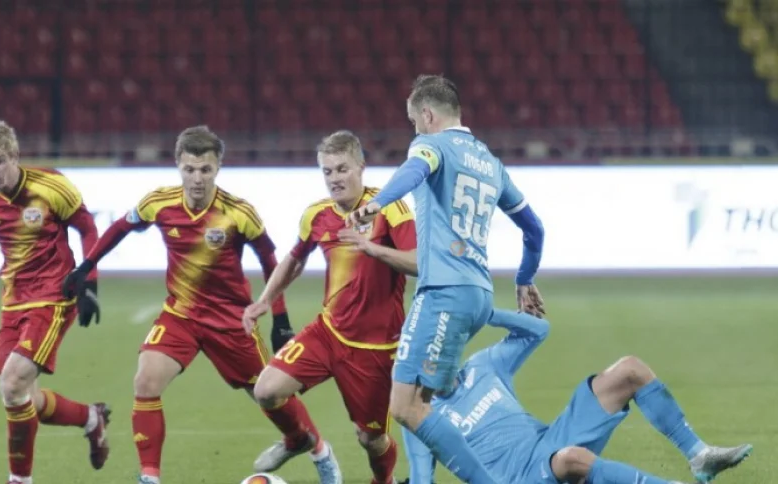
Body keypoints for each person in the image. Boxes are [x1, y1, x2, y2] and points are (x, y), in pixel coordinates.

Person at [62, 125, 339, 484]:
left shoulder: (238, 213)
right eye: (189, 169)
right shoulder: (158, 202)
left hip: (231, 321)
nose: (197, 178)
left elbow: (271, 261)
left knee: (268, 394)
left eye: (205, 169)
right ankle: (149, 477)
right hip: (181, 315)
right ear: (178, 165)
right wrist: (85, 267)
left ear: (218, 167)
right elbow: (119, 228)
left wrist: (279, 317)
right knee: (145, 381)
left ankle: (316, 449)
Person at [348, 74, 545, 483]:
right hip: (479, 294)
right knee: (422, 402)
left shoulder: (432, 145)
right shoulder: (490, 163)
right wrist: (525, 278)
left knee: (405, 407)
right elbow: (534, 228)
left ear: (427, 114)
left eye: (413, 122)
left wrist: (376, 203)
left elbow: (415, 169)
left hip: (443, 291)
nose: (414, 130)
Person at [0, 120, 110, 484]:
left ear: (15, 156)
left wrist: (89, 284)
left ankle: (19, 480)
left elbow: (88, 228)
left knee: (12, 384)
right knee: (20, 396)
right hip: (13, 299)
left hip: (54, 296)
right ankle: (91, 418)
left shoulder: (51, 186)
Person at [243, 131, 417, 484]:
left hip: (374, 347)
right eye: (327, 171)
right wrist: (265, 299)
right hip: (328, 333)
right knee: (266, 390)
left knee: (371, 439)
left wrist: (372, 249)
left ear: (361, 167)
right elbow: (295, 259)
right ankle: (299, 439)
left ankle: (383, 481)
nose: (334, 178)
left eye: (342, 169)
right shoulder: (317, 214)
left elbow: (418, 262)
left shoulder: (390, 208)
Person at [403, 309, 753, 484]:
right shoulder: (418, 414)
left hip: (550, 440)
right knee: (572, 459)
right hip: (522, 478)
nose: (445, 355)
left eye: (449, 344)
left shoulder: (482, 365)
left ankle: (700, 456)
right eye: (434, 352)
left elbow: (537, 330)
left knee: (629, 370)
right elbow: (421, 478)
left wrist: (486, 313)